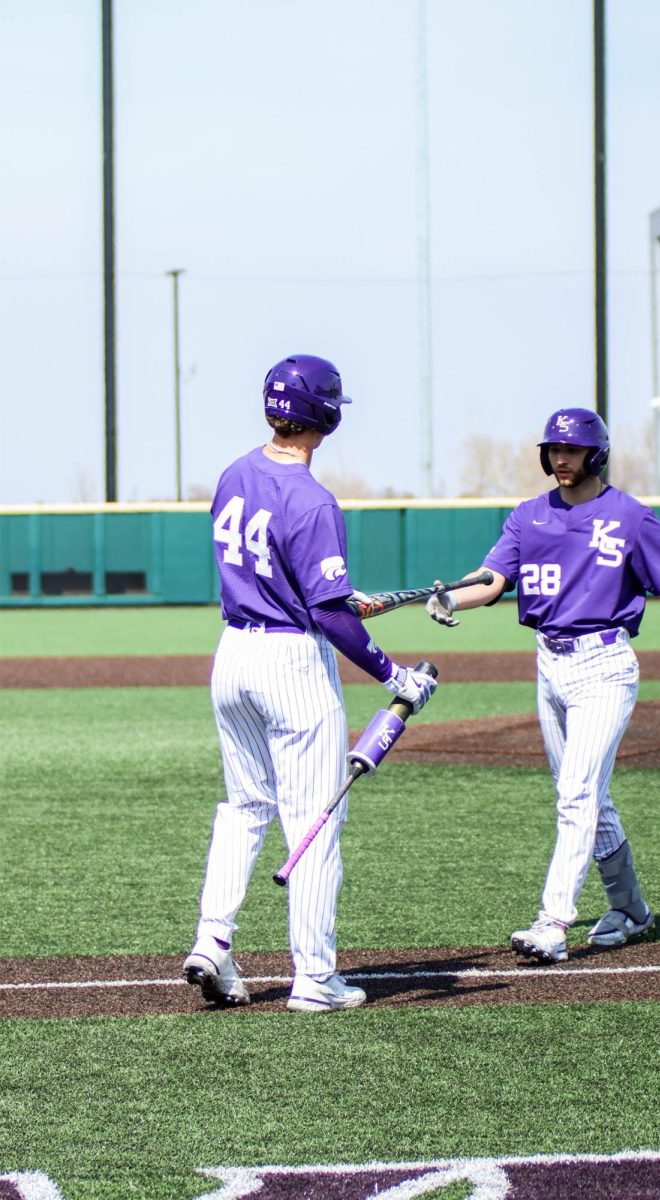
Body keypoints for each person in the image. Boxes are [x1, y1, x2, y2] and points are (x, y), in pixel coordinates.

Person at [426, 407, 660, 964]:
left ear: (595, 453)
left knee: (576, 795)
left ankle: (553, 923)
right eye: (552, 450)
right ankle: (632, 909)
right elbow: (493, 580)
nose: (560, 459)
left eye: (570, 450)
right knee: (591, 797)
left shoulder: (631, 517)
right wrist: (450, 596)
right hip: (550, 665)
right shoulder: (528, 516)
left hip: (605, 666)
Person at [183, 353, 437, 1010]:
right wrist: (394, 673)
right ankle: (316, 978)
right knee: (314, 823)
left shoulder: (235, 472)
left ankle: (213, 942)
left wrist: (343, 601)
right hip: (291, 662)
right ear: (323, 416)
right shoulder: (315, 500)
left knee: (243, 808)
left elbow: (308, 588)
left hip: (233, 652)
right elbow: (325, 611)